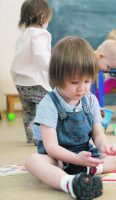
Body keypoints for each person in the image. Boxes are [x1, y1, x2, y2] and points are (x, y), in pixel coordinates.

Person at [25, 36, 116, 200]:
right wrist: (75, 159)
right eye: (74, 81)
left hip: (86, 156)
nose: (82, 88)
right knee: (33, 161)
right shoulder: (48, 104)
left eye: (87, 81)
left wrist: (105, 146)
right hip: (58, 159)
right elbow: (51, 147)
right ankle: (68, 182)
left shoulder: (90, 99)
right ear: (57, 76)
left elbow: (97, 134)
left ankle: (91, 170)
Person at [10, 0, 52, 143]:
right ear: (42, 18)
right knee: (47, 105)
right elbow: (41, 56)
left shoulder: (23, 34)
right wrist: (52, 67)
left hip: (20, 81)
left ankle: (31, 136)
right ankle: (39, 134)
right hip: (36, 81)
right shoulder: (40, 34)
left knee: (29, 110)